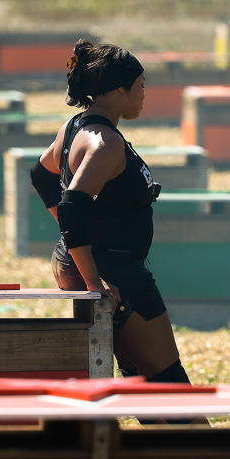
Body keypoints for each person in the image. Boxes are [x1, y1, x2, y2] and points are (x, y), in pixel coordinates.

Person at [29, 39, 199, 406]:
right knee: (170, 384)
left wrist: (72, 239)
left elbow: (42, 176)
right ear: (120, 91)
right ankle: (206, 457)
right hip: (115, 273)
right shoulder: (105, 144)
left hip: (93, 263)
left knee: (140, 377)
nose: (143, 96)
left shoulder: (75, 126)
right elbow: (73, 204)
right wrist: (94, 281)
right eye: (140, 88)